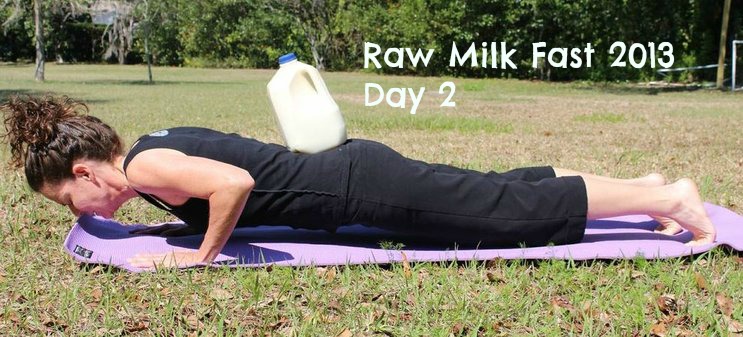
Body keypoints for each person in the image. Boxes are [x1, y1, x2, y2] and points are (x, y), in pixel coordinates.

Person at [1, 95, 716, 269]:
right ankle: (641, 183)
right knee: (500, 185)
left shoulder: (149, 167)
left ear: (88, 170)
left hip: (356, 190)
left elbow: (235, 183)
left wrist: (200, 256)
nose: (77, 206)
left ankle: (667, 199)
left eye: (69, 196)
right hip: (353, 176)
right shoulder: (151, 154)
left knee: (502, 212)